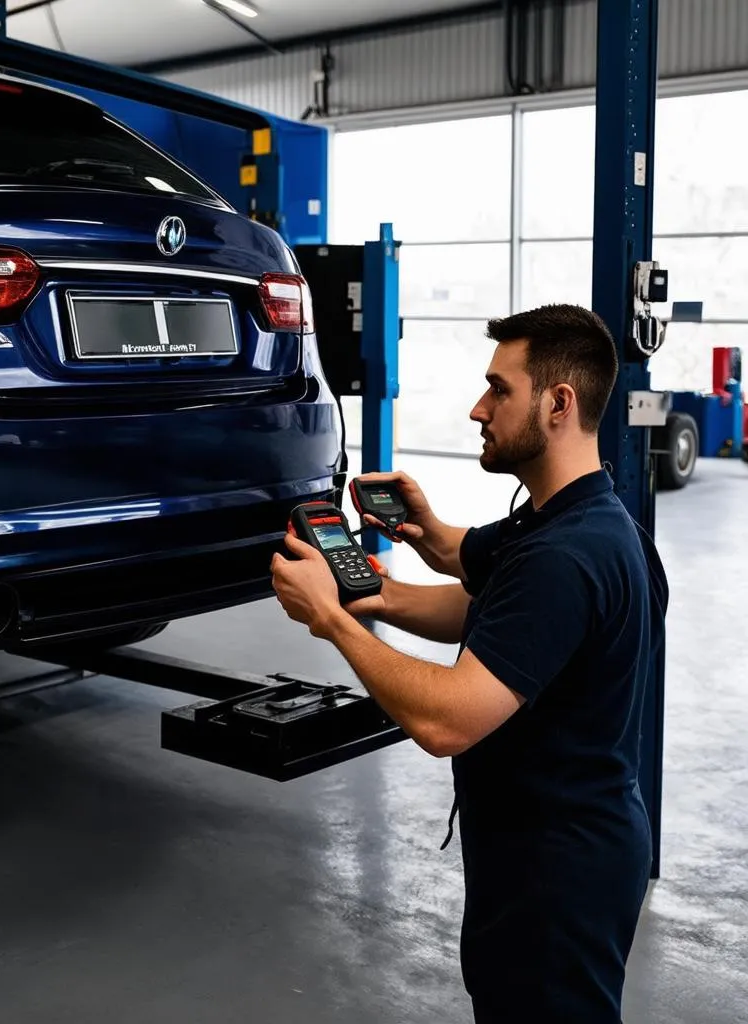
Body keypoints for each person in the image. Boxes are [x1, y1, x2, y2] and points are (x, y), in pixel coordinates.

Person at [271, 304, 669, 1023]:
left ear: (558, 403)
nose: (477, 409)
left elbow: (446, 719)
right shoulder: (587, 522)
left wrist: (331, 619)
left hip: (554, 871)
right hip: (583, 838)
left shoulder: (562, 559)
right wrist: (380, 591)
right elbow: (476, 587)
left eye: (498, 389)